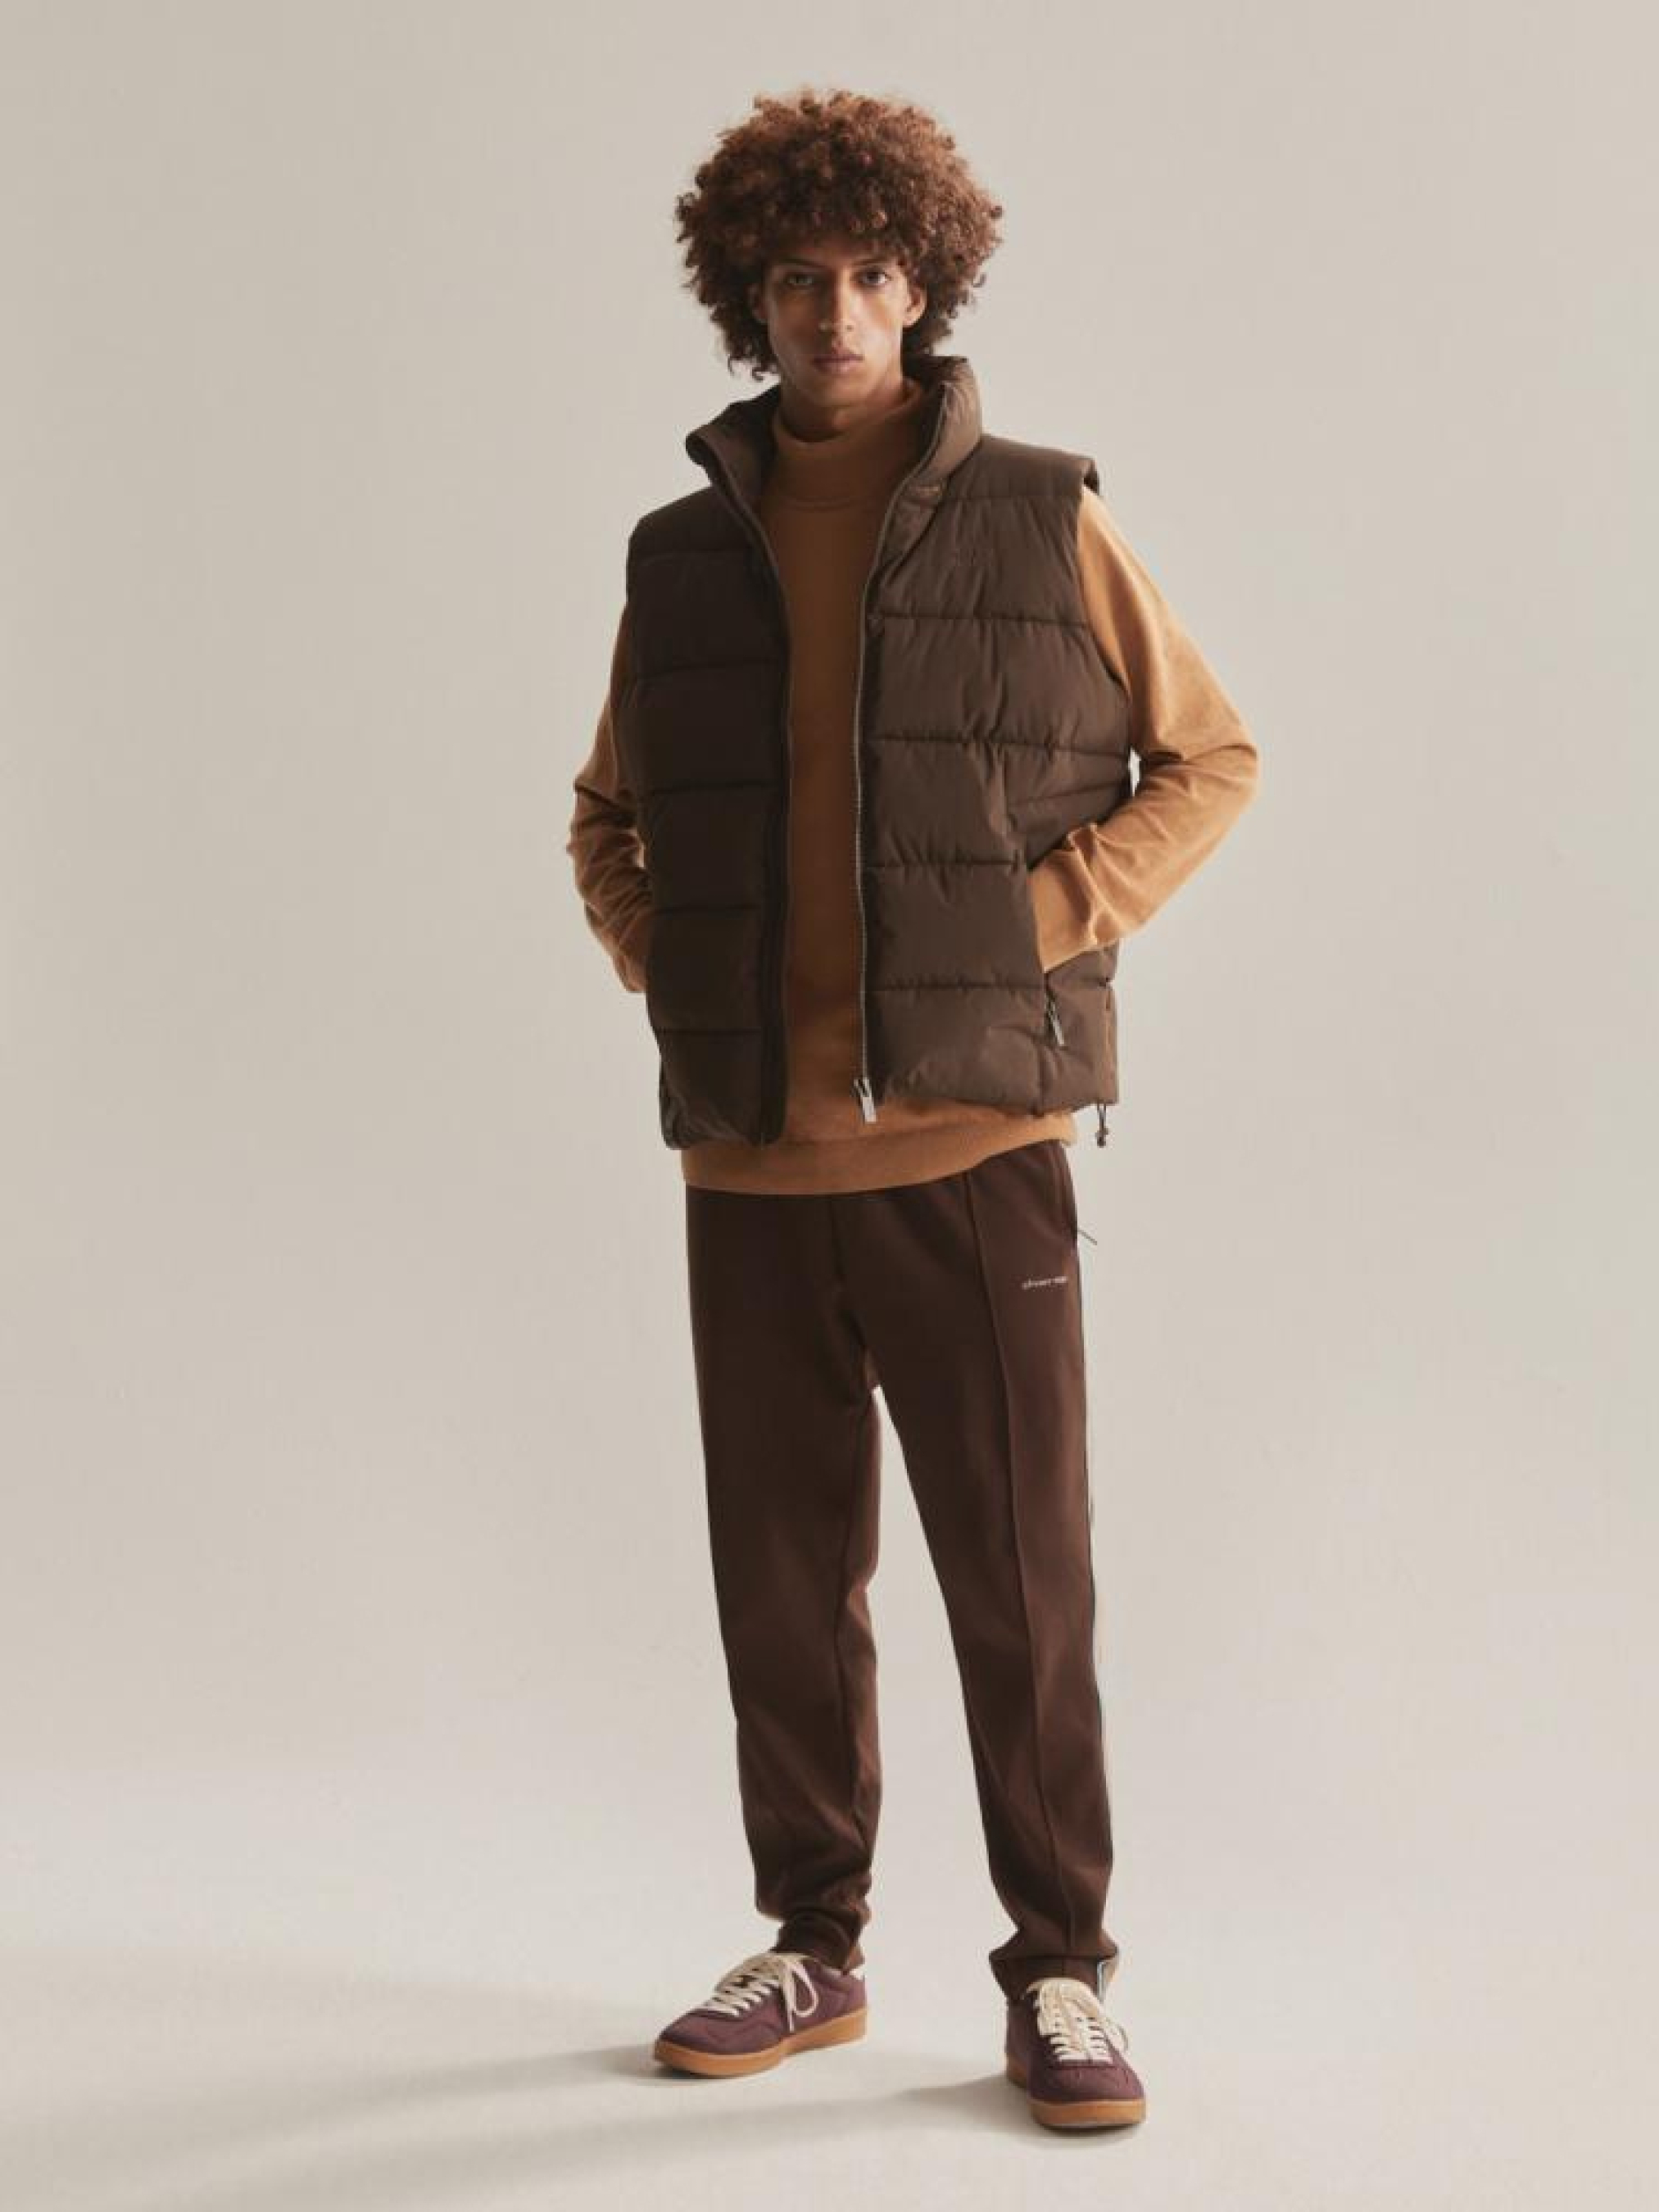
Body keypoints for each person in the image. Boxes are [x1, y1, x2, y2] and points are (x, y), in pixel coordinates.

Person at [565, 86, 1259, 2133]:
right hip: (750, 1160)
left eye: (872, 275)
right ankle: (812, 1941)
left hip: (973, 1157)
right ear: (746, 296)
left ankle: (1061, 1972)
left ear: (923, 285)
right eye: (796, 278)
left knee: (1020, 1591)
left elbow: (1206, 758)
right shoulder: (679, 555)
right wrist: (678, 970)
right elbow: (605, 817)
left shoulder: (1042, 516)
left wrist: (1030, 927)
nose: (835, 312)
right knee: (781, 1586)